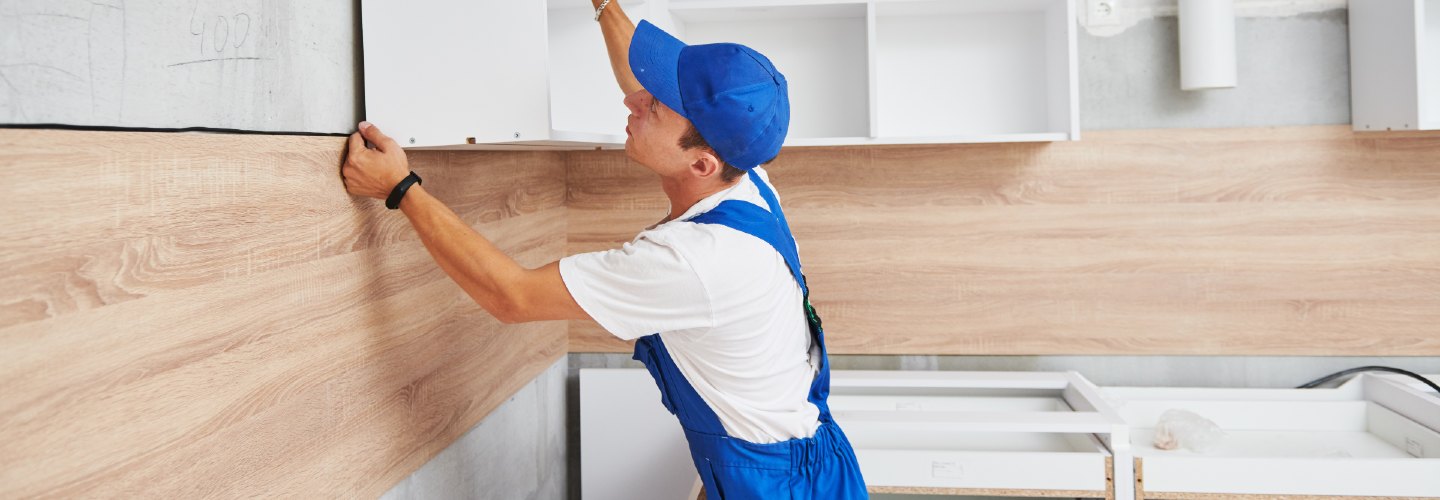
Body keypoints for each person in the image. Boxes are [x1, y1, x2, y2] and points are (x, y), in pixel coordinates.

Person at [340, 0, 867, 496]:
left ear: (702, 163)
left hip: (781, 485)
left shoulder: (696, 261)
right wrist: (604, 4)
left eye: (655, 104)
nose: (632, 98)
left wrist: (398, 188)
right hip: (796, 459)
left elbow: (512, 296)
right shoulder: (743, 175)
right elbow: (642, 84)